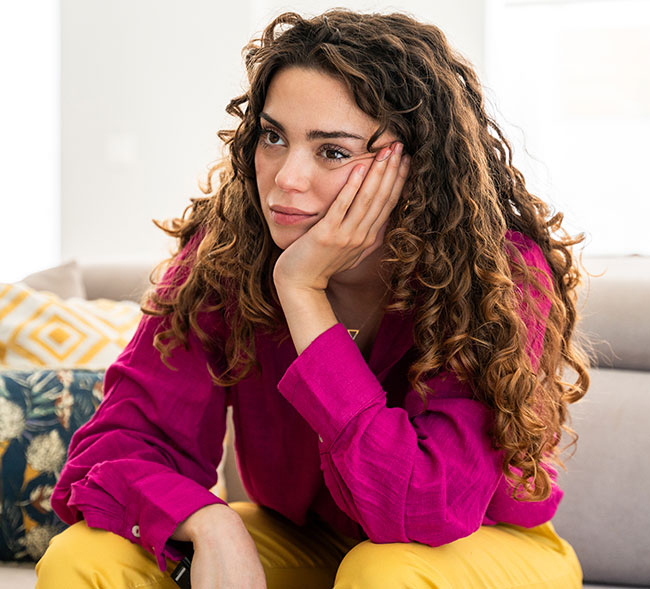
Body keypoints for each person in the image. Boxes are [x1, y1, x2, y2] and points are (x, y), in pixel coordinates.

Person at [36, 9, 590, 589]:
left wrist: (302, 292)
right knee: (86, 558)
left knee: (385, 571)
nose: (285, 180)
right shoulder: (226, 252)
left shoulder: (499, 272)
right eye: (274, 137)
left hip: (470, 548)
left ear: (416, 166)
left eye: (331, 151)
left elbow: (421, 508)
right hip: (304, 539)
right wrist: (207, 523)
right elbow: (117, 446)